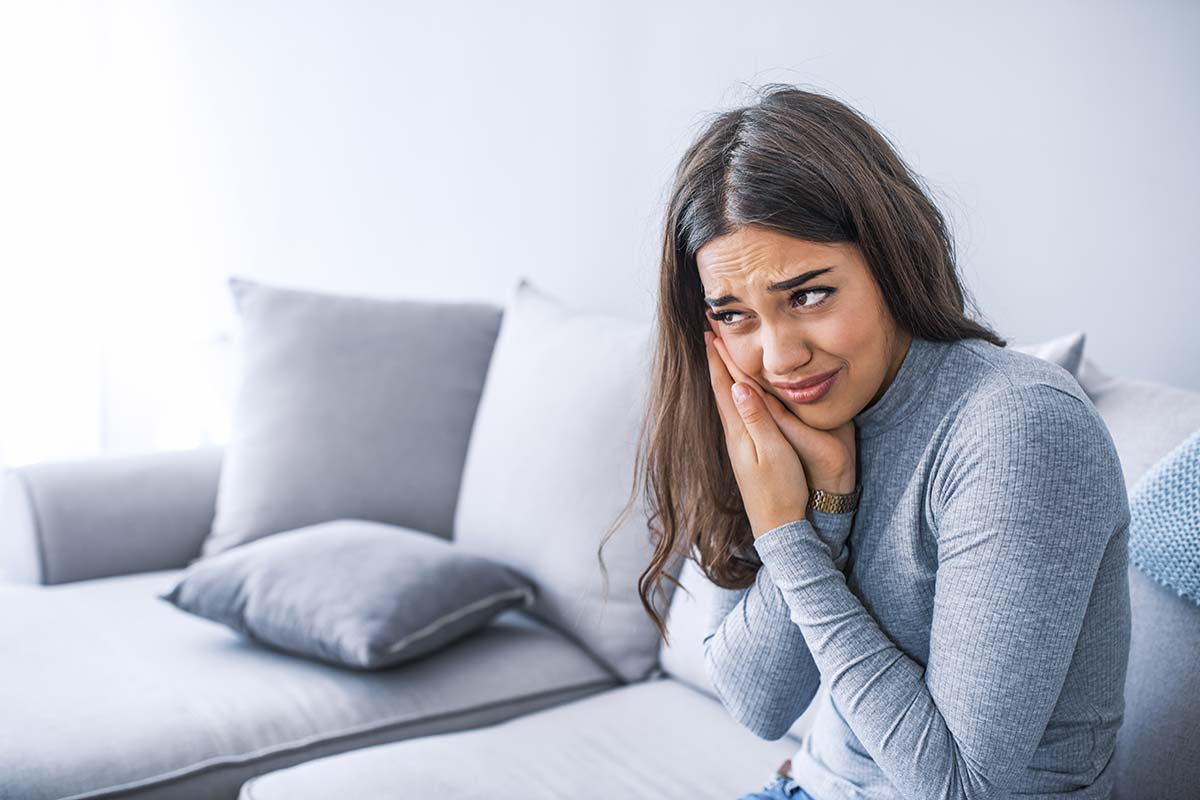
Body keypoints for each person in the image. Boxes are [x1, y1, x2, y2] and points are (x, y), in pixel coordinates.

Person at [617, 84, 1131, 799]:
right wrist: (825, 510)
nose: (778, 355)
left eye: (807, 295)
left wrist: (790, 536)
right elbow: (756, 706)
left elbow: (961, 787)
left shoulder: (1017, 428)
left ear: (891, 257)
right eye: (735, 315)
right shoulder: (774, 419)